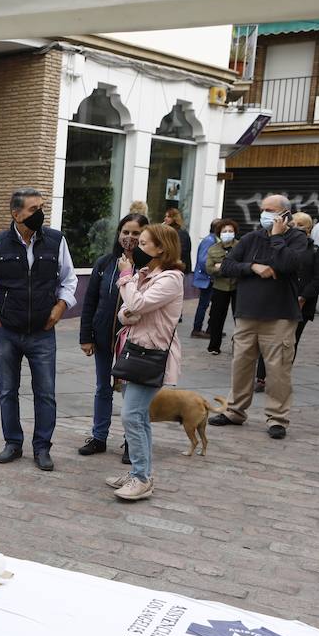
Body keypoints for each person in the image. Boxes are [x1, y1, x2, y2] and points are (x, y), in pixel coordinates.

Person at [0, 188, 78, 472]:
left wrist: (61, 307)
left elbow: (69, 279)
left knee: (46, 392)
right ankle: (13, 443)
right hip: (7, 330)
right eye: (33, 209)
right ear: (16, 213)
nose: (39, 214)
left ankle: (42, 447)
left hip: (43, 331)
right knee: (8, 391)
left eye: (41, 208)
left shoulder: (56, 241)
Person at [208, 194, 310, 439]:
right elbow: (227, 266)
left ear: (285, 215)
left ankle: (277, 418)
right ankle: (235, 411)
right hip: (246, 313)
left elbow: (289, 264)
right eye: (263, 209)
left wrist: (277, 237)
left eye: (271, 210)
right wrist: (253, 267)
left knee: (278, 370)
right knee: (241, 364)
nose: (265, 214)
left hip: (280, 316)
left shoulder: (297, 239)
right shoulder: (251, 239)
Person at [105, 223, 185, 502]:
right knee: (138, 416)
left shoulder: (170, 279)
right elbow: (126, 312)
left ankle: (141, 478)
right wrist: (131, 305)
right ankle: (141, 472)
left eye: (143, 244)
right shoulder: (146, 274)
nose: (135, 248)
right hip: (134, 351)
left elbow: (136, 305)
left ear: (161, 248)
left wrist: (126, 277)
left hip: (152, 355)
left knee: (131, 416)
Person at [78, 213, 147, 460]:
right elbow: (90, 302)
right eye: (125, 232)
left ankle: (131, 442)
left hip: (134, 342)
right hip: (104, 336)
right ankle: (99, 437)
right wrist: (86, 336)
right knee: (102, 389)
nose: (130, 237)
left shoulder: (149, 267)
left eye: (136, 233)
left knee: (131, 392)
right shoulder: (105, 263)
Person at [255, 213, 319, 389]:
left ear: (308, 229)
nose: (296, 226)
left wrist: (303, 297)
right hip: (277, 299)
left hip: (301, 304)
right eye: (293, 223)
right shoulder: (282, 245)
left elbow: (318, 279)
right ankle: (262, 377)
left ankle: (278, 378)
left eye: (301, 224)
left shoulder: (315, 250)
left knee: (289, 343)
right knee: (269, 339)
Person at [204, 220, 239, 356]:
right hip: (220, 286)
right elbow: (209, 268)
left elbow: (243, 265)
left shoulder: (240, 246)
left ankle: (238, 345)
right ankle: (214, 345)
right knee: (217, 317)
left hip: (237, 286)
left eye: (230, 231)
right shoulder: (213, 249)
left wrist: (222, 266)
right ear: (219, 233)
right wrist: (226, 268)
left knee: (240, 317)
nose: (228, 234)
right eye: (224, 231)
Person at [190, 219, 219, 338]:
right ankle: (197, 329)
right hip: (207, 279)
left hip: (210, 278)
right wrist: (213, 270)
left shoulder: (214, 240)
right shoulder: (209, 241)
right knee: (203, 304)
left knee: (213, 304)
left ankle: (211, 328)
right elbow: (203, 260)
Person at [164, 207, 192, 274]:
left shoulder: (181, 233)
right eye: (165, 216)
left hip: (178, 267)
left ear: (174, 218)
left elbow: (182, 251)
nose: (165, 219)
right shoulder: (167, 231)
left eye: (168, 217)